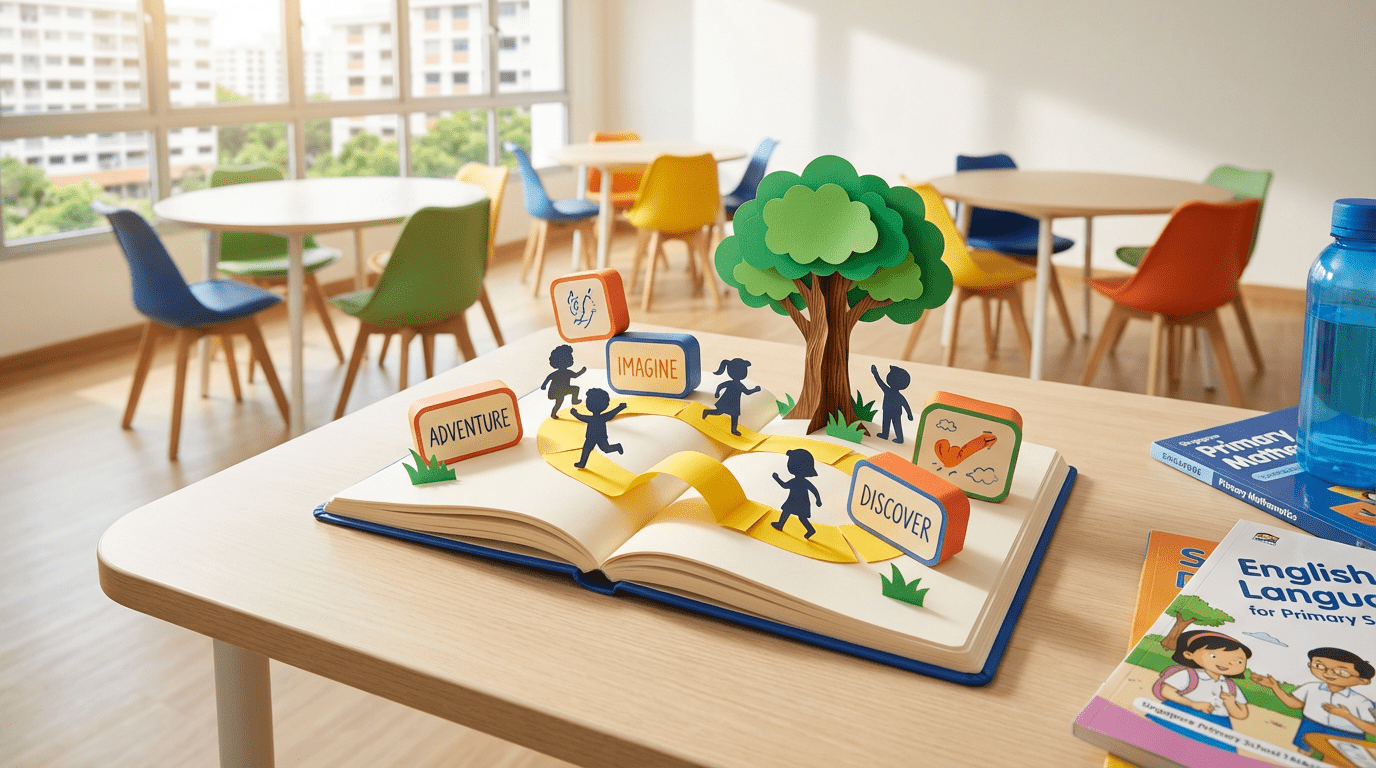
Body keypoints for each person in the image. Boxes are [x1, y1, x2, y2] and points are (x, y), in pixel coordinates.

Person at [1253, 647, 1376, 758]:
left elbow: (1373, 730)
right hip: (1311, 724)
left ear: (1363, 680)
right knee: (1303, 754)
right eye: (1319, 666)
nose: (1327, 673)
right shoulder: (1311, 687)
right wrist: (1274, 687)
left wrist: (1347, 716)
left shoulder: (1362, 702)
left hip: (1347, 733)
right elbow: (1294, 704)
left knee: (1336, 760)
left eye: (1341, 672)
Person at [1148, 630, 1252, 753]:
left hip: (1218, 725)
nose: (1228, 663)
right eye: (1214, 656)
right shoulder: (1189, 675)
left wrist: (1230, 704)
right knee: (1160, 744)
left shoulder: (1230, 686)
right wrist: (1192, 704)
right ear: (1188, 654)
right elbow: (1166, 691)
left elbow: (1242, 714)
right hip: (1181, 714)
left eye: (1239, 661)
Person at [770, 449, 822, 540]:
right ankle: (809, 529)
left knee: (788, 512)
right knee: (799, 516)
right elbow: (814, 490)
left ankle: (781, 525)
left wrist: (776, 478)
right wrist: (818, 499)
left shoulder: (795, 481)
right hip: (802, 502)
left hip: (794, 501)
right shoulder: (805, 482)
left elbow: (784, 486)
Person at [701, 358, 760, 436]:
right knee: (719, 412)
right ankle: (706, 412)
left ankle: (733, 430)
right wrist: (717, 393)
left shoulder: (739, 385)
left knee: (734, 416)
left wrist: (755, 390)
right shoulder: (735, 384)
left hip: (734, 403)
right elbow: (720, 386)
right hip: (726, 401)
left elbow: (747, 392)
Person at [570, 388, 627, 469]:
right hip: (590, 438)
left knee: (606, 449)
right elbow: (581, 417)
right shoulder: (600, 417)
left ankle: (617, 446)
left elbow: (611, 413)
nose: (587, 403)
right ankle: (582, 463)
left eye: (588, 402)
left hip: (601, 437)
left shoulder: (601, 418)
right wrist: (620, 407)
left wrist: (574, 413)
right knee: (586, 449)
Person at [541, 344, 586, 419]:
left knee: (559, 403)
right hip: (557, 391)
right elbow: (548, 378)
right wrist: (544, 385)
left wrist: (544, 385)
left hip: (561, 390)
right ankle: (574, 400)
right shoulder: (564, 373)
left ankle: (554, 414)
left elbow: (575, 375)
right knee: (574, 390)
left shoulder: (566, 372)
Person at [870, 364, 913, 443]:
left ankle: (897, 437)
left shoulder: (887, 390)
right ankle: (887, 435)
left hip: (891, 411)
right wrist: (909, 414)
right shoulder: (898, 395)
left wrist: (875, 373)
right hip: (891, 411)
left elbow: (880, 382)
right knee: (890, 423)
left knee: (894, 424)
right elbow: (905, 405)